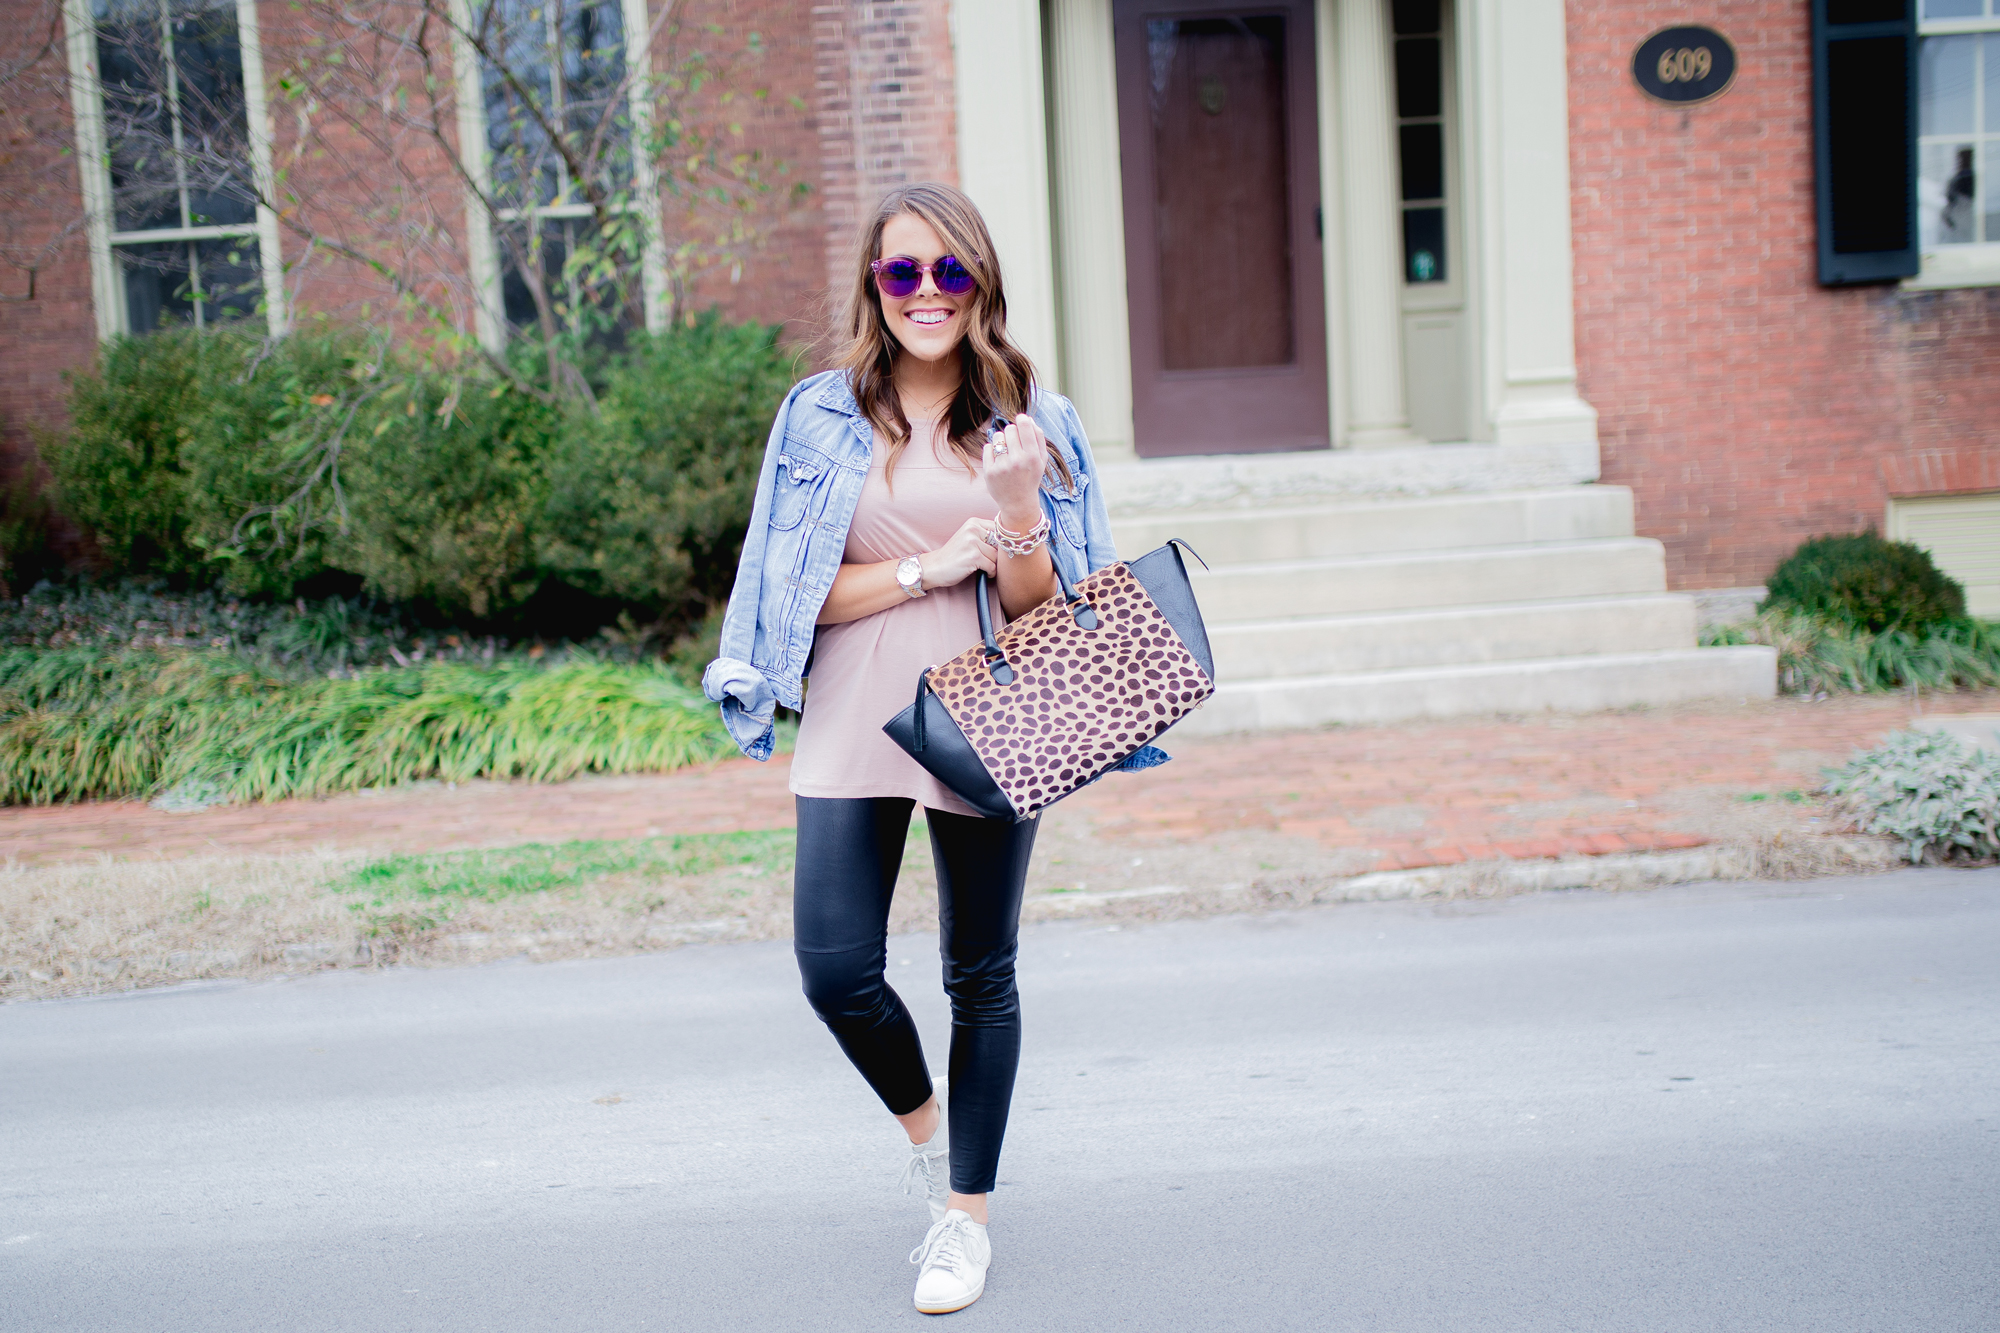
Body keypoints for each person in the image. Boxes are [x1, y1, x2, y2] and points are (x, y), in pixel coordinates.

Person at [703, 181, 1160, 1315]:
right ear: (872, 282)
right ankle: (929, 1142)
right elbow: (788, 597)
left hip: (991, 719)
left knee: (978, 973)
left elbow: (1048, 608)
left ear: (981, 286)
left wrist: (1011, 516)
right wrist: (924, 566)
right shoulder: (817, 415)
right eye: (902, 271)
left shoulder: (1030, 419)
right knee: (835, 969)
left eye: (949, 272)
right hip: (856, 709)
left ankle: (965, 1218)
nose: (925, 293)